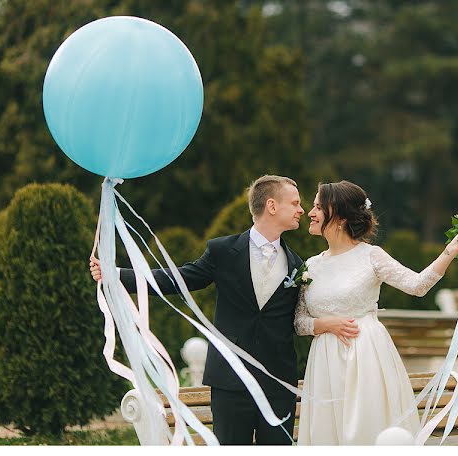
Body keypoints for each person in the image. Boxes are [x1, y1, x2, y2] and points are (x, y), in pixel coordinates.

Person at [89, 174, 305, 445]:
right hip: (229, 382)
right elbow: (179, 279)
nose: (301, 210)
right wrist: (116, 274)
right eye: (295, 203)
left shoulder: (298, 265)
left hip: (278, 383)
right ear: (272, 206)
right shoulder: (223, 251)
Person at [294, 180, 458, 445]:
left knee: (368, 425)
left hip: (366, 355)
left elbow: (417, 286)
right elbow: (299, 321)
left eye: (318, 207)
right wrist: (325, 325)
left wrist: (449, 251)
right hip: (325, 363)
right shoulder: (310, 266)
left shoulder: (372, 256)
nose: (310, 213)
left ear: (340, 216)